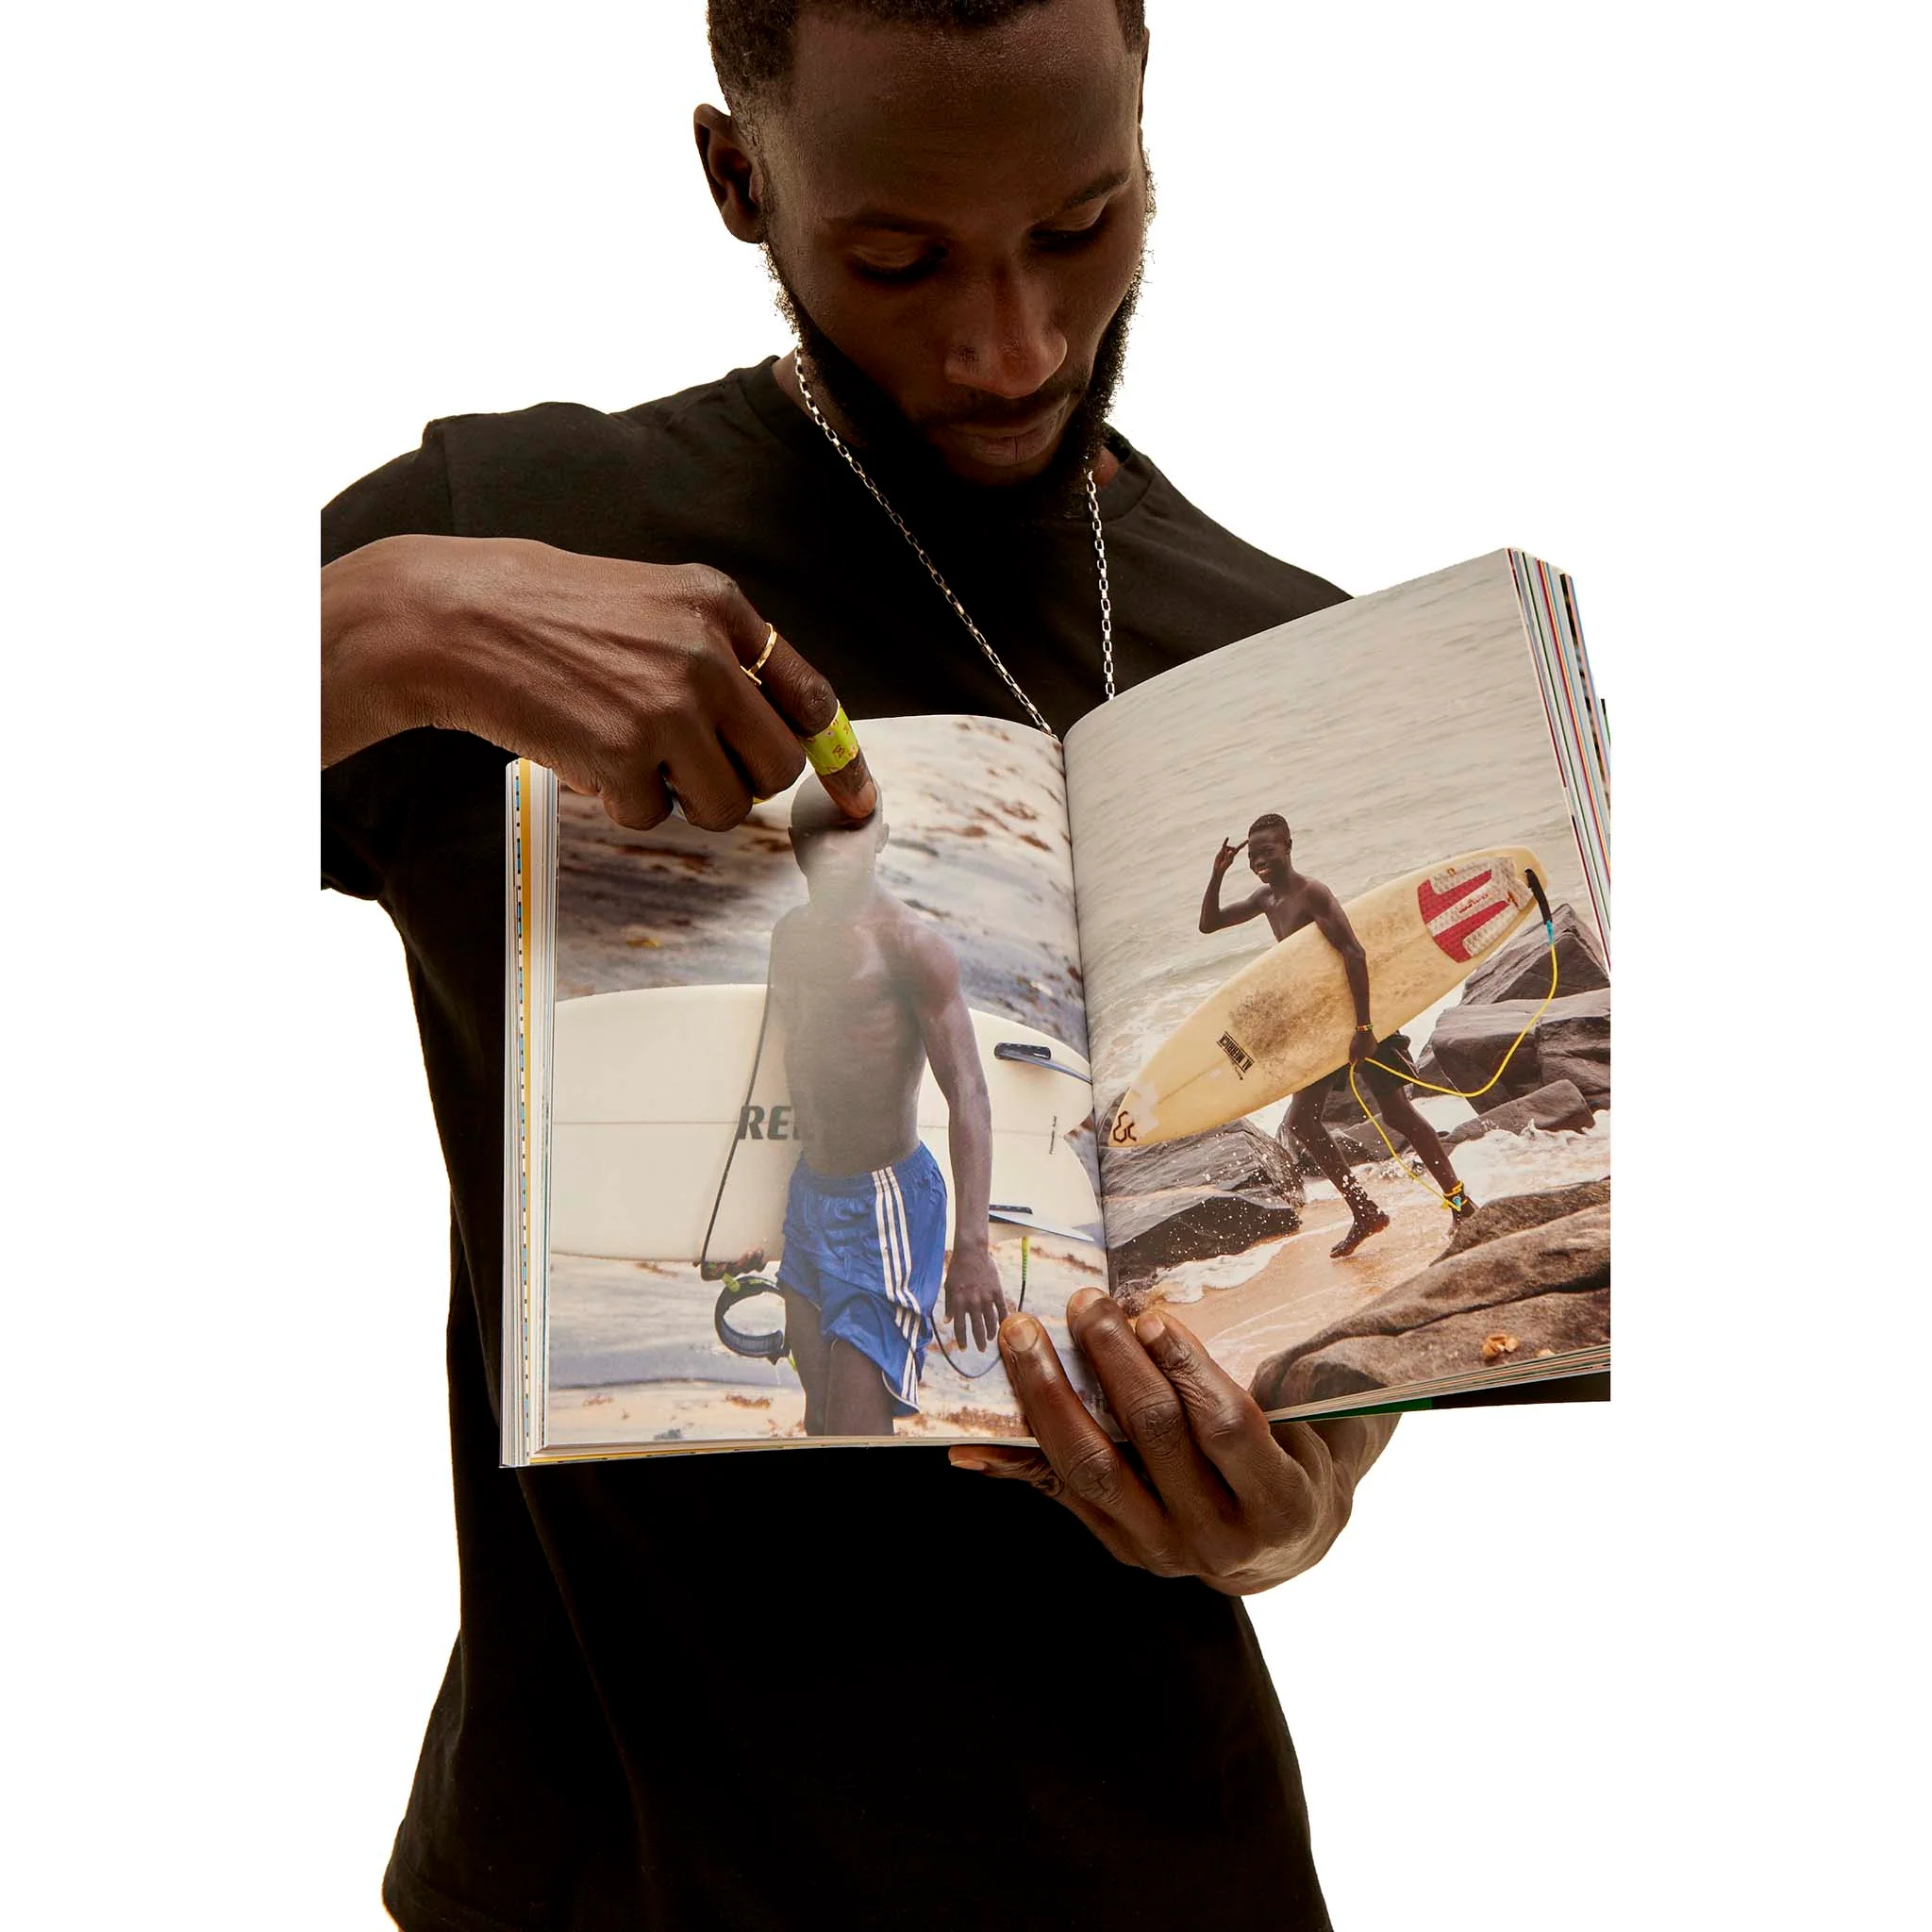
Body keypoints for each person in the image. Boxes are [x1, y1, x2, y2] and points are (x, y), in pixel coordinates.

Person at [321, 3, 1397, 1924]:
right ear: (739, 177)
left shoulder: (1289, 663)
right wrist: (380, 626)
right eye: (899, 258)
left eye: (1079, 225)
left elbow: (1334, 1374)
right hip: (590, 1875)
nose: (1013, 344)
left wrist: (1281, 1501)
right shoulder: (508, 544)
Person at [769, 786, 1004, 1433]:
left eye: (848, 833)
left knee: (854, 1431)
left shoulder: (911, 946)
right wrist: (737, 1218)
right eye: (814, 834)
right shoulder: (789, 937)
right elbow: (786, 1074)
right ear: (794, 847)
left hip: (886, 1205)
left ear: (881, 839)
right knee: (820, 1420)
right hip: (810, 1193)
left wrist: (972, 1246)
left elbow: (970, 1094)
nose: (831, 849)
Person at [1201, 812, 1479, 1257]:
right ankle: (1365, 1211)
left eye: (1267, 851)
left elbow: (1354, 953)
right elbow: (1209, 924)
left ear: (1288, 846)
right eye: (1252, 855)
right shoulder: (1266, 899)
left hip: (1361, 1015)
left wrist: (1365, 1028)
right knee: (1302, 1122)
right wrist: (1218, 874)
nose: (1258, 861)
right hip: (1322, 1024)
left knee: (1398, 1115)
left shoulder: (1312, 893)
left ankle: (1461, 1203)